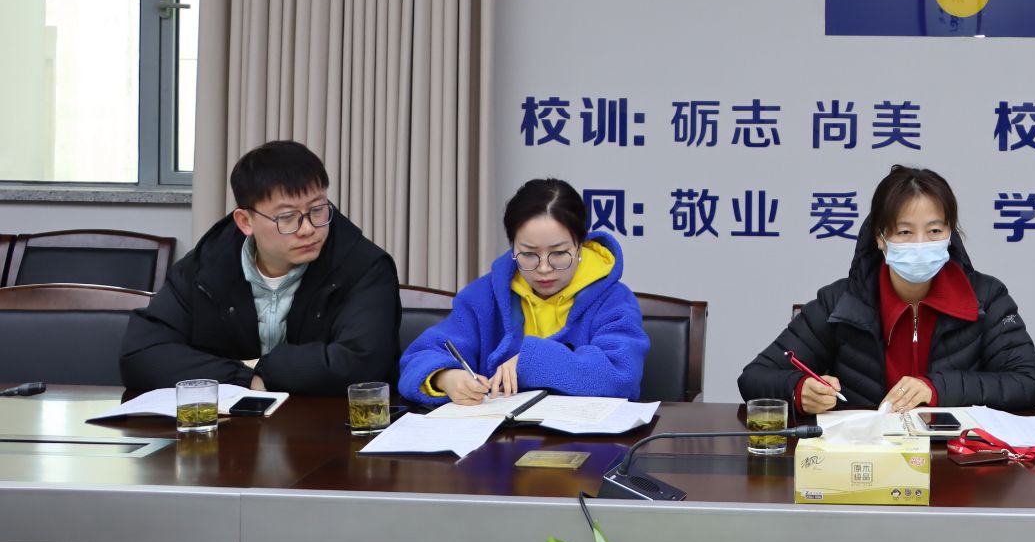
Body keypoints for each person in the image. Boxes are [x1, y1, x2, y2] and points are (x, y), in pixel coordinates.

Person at [737, 165, 1035, 413]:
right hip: (864, 458)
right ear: (880, 238)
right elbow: (754, 377)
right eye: (905, 232)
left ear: (950, 233)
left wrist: (936, 388)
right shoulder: (840, 302)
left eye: (934, 230)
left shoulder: (987, 298)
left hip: (954, 459)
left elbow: (1029, 382)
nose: (921, 243)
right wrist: (799, 390)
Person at [120, 140, 399, 395]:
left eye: (317, 210)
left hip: (326, 425)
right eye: (287, 217)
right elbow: (140, 356)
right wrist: (246, 378)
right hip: (230, 425)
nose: (308, 229)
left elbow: (361, 365)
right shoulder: (206, 267)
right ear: (245, 222)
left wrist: (264, 369)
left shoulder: (364, 267)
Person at [399, 179, 648, 405]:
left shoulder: (613, 300)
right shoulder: (484, 296)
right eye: (528, 254)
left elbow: (622, 376)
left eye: (559, 253)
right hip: (500, 436)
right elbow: (418, 358)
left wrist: (531, 361)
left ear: (580, 246)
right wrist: (445, 377)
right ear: (512, 247)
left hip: (586, 437)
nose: (544, 268)